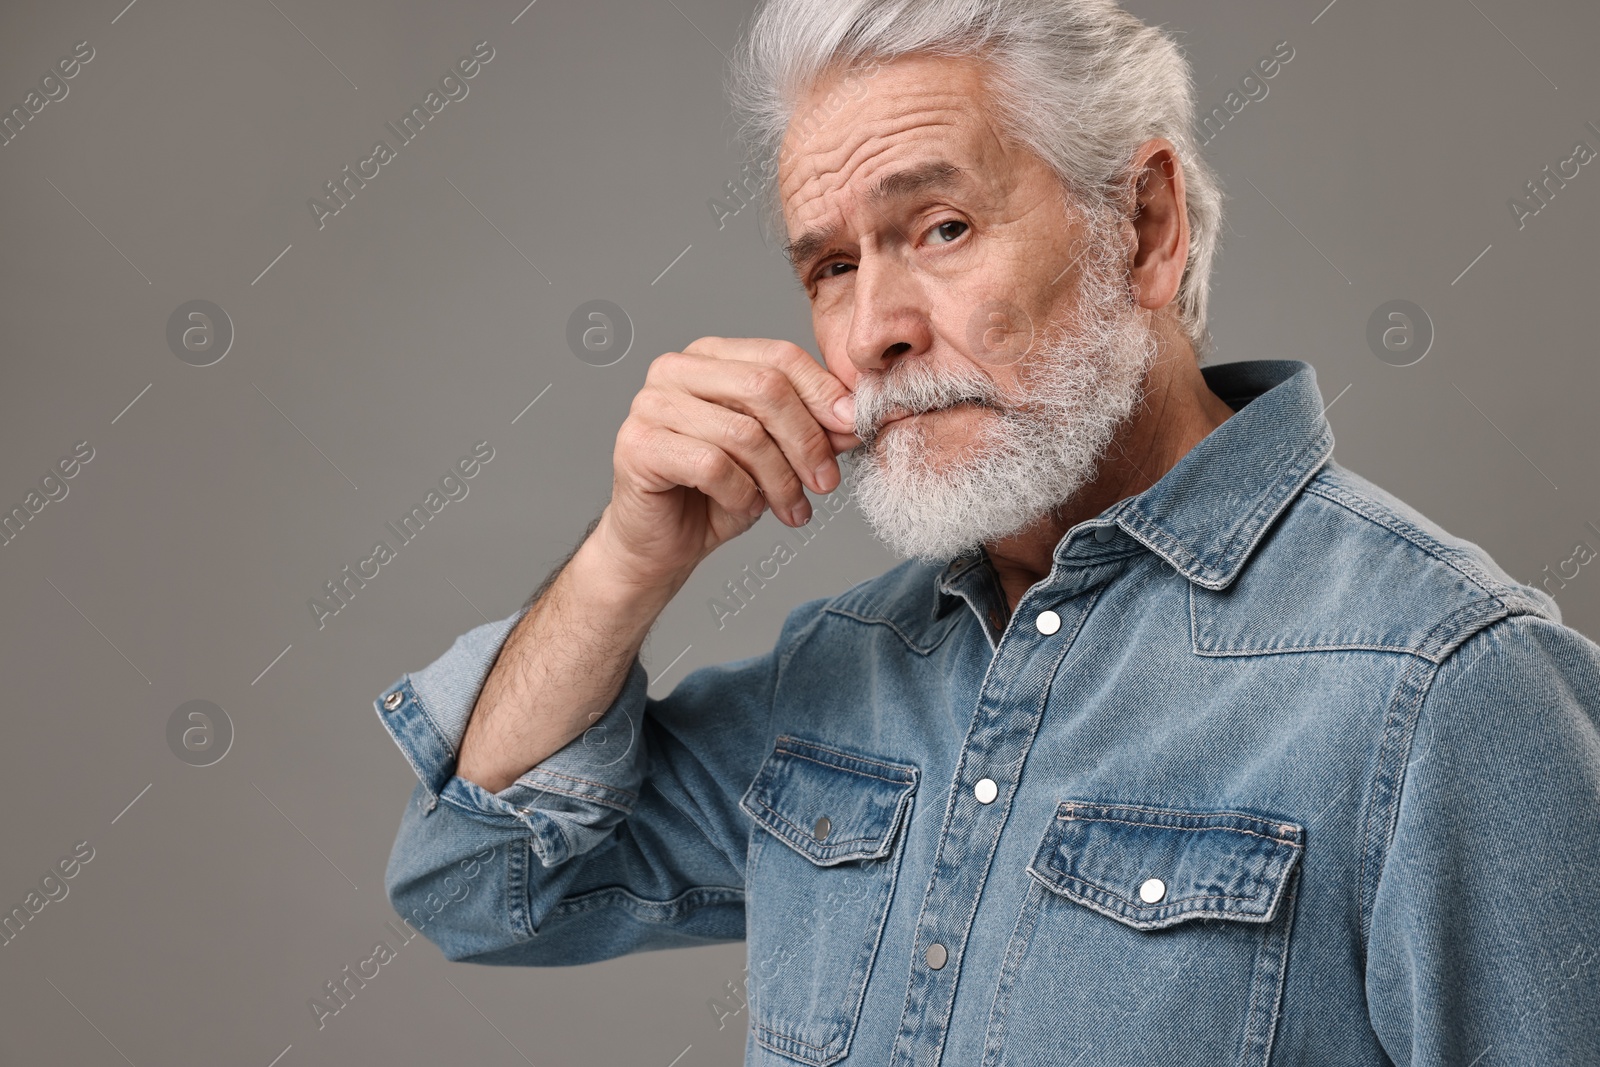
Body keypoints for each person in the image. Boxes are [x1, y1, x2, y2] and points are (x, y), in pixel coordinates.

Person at [374, 1, 1600, 1062]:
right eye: (832, 266)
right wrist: (629, 558)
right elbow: (476, 882)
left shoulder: (1448, 682)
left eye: (939, 227)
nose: (871, 331)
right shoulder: (844, 667)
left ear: (1145, 227)